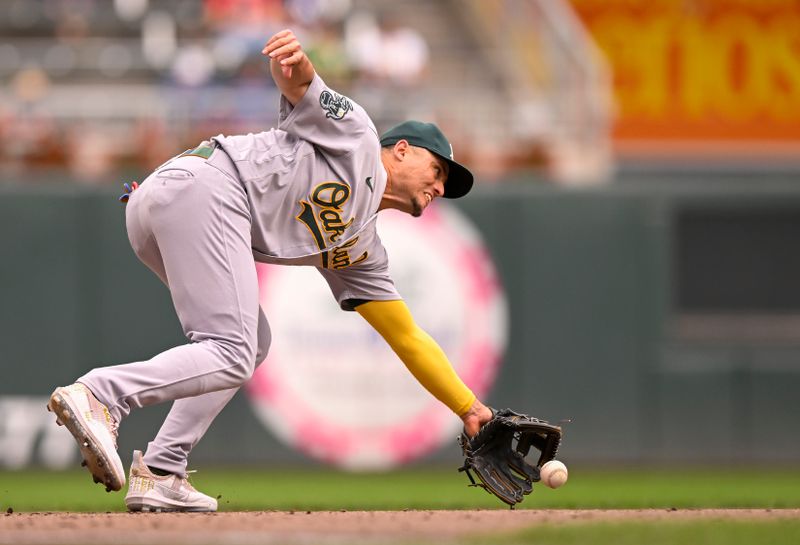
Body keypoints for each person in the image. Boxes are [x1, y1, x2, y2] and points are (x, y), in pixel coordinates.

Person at [48, 29, 493, 513]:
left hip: (165, 206)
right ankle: (100, 395)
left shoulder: (360, 250)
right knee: (234, 348)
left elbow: (408, 337)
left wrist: (468, 407)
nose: (441, 186)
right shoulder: (360, 139)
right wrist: (295, 64)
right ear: (402, 149)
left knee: (249, 341)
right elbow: (302, 86)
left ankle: (161, 471)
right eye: (440, 170)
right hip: (205, 186)